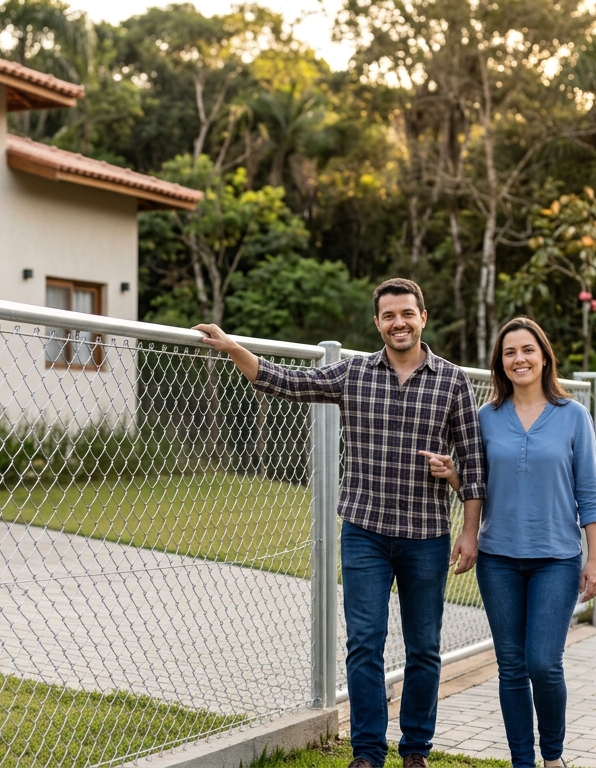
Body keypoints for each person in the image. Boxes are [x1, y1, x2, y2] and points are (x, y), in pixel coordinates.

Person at [194, 278, 486, 768]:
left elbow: (473, 462)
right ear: (377, 323)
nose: (399, 323)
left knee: (425, 649)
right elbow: (282, 381)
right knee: (364, 645)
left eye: (407, 314)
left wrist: (470, 530)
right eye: (389, 315)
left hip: (426, 538)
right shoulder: (353, 374)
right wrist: (231, 347)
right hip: (365, 534)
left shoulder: (453, 380)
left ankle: (416, 752)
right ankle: (367, 752)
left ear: (423, 317)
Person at [426, 316, 596, 768]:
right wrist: (454, 476)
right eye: (509, 352)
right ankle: (522, 762)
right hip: (498, 559)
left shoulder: (573, 416)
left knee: (544, 663)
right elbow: (477, 487)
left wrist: (595, 559)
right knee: (511, 667)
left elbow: (590, 494)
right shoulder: (486, 417)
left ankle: (553, 758)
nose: (519, 359)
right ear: (499, 363)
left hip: (557, 560)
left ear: (544, 357)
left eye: (527, 350)